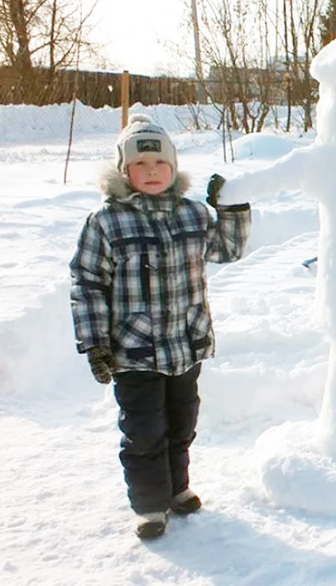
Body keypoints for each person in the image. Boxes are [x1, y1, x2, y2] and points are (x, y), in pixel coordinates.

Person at [69, 114, 252, 539]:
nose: (151, 172)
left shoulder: (191, 214)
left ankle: (176, 489)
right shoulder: (106, 222)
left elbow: (227, 250)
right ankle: (150, 506)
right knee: (143, 430)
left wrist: (233, 209)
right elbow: (88, 282)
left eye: (160, 164)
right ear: (124, 171)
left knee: (181, 421)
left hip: (186, 344)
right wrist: (95, 343)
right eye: (140, 165)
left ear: (173, 168)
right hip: (133, 351)